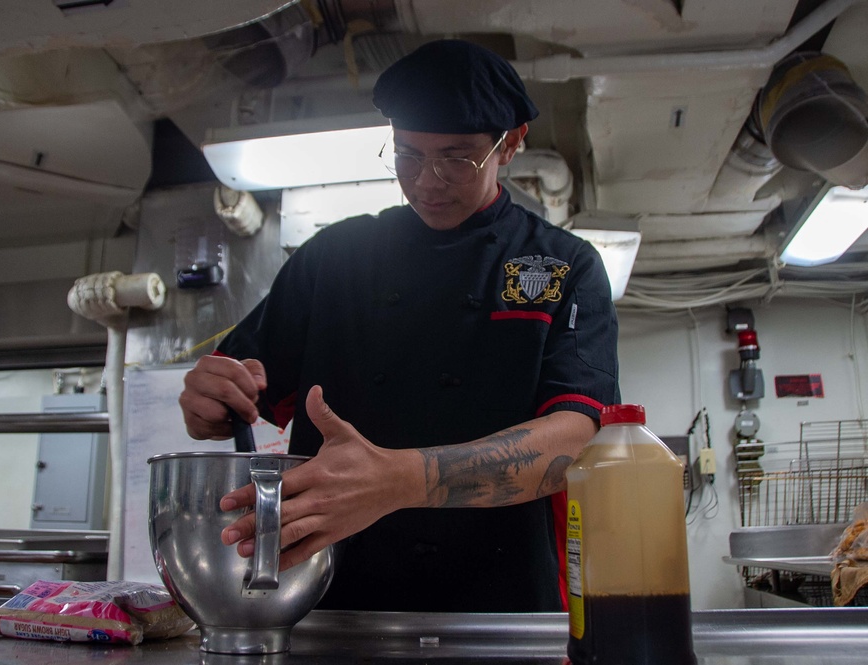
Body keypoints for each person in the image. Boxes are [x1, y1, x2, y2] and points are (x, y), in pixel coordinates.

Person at [179, 39, 620, 612]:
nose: (427, 181)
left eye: (457, 158)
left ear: (511, 144)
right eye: (408, 155)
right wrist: (207, 401)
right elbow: (235, 395)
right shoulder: (333, 258)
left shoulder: (563, 265)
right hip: (332, 598)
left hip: (501, 603)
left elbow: (578, 437)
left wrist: (402, 479)